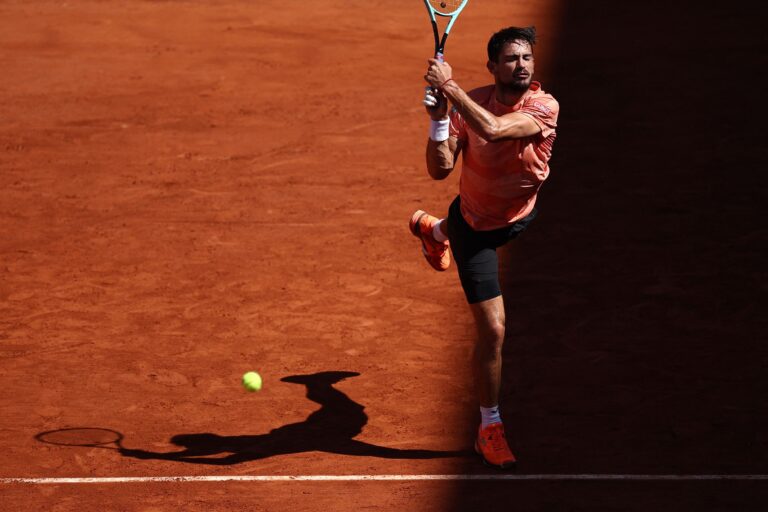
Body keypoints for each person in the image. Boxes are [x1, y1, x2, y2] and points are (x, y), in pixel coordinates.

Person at [410, 26, 559, 469]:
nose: (522, 65)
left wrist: (449, 88)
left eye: (527, 58)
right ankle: (489, 427)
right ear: (493, 66)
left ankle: (434, 232)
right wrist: (439, 120)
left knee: (462, 221)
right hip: (474, 225)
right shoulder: (465, 105)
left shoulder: (543, 105)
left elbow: (493, 129)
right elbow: (439, 171)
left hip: (519, 217)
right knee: (493, 330)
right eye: (512, 58)